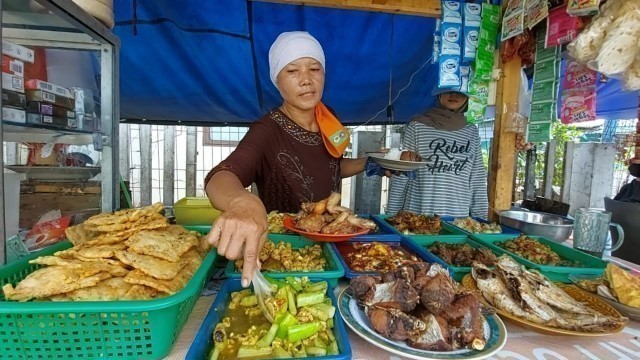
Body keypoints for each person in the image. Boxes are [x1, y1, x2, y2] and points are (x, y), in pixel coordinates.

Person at [203, 31, 371, 287]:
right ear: (277, 81)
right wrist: (242, 202)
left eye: (314, 68)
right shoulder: (267, 130)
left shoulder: (328, 117)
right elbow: (222, 176)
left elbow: (332, 167)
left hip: (329, 243)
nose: (306, 80)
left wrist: (369, 163)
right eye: (292, 71)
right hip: (286, 252)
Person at [386, 87, 489, 218]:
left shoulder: (471, 131)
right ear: (439, 94)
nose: (454, 95)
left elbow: (477, 179)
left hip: (458, 221)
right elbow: (402, 173)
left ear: (467, 98)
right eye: (449, 90)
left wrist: (481, 221)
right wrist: (391, 216)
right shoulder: (417, 126)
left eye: (460, 92)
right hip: (416, 216)